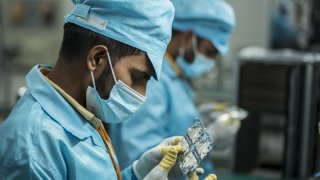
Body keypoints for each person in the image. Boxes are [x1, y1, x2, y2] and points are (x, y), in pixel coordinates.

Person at [0, 0, 217, 179]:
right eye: (138, 77)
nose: (142, 94)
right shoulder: (34, 147)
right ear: (97, 59)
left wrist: (139, 172)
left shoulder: (82, 114)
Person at [110, 0, 236, 177]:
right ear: (187, 37)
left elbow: (171, 129)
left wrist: (199, 121)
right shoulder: (151, 81)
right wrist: (207, 138)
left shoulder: (175, 77)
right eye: (209, 51)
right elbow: (147, 165)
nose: (210, 62)